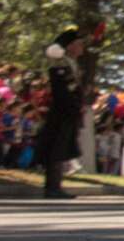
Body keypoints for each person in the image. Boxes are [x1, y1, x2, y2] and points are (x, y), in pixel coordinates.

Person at [36, 29, 87, 199]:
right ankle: (52, 187)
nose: (82, 48)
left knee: (62, 149)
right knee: (56, 149)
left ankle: (55, 186)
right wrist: (73, 107)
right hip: (60, 112)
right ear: (71, 46)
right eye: (79, 44)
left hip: (68, 112)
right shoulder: (61, 64)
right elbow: (61, 91)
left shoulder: (70, 63)